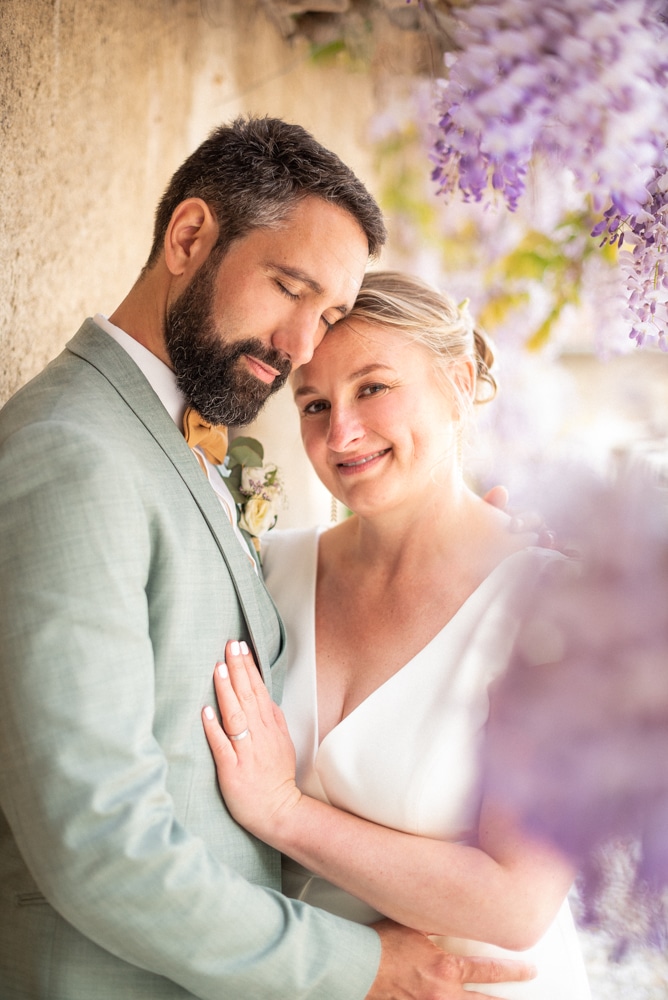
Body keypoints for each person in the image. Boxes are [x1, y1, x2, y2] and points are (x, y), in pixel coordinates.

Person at [0, 119, 534, 1000]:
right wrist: (359, 968)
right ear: (189, 237)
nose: (297, 349)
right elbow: (94, 842)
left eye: (324, 315)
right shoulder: (74, 453)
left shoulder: (171, 444)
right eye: (289, 287)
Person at [202, 271, 592, 1000]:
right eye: (313, 403)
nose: (340, 433)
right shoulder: (270, 568)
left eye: (373, 388)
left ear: (456, 381)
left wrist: (285, 812)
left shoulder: (550, 607)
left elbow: (516, 904)